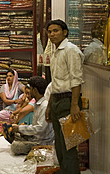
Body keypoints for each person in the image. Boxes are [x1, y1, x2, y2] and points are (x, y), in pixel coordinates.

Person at [45, 19, 84, 174]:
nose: (52, 34)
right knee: (60, 143)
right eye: (49, 32)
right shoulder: (54, 52)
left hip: (68, 100)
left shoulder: (71, 50)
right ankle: (64, 170)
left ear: (64, 32)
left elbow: (76, 79)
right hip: (56, 101)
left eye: (56, 31)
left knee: (69, 144)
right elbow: (54, 82)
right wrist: (49, 106)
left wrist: (74, 105)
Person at [2, 76, 54, 155]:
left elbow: (40, 129)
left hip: (42, 141)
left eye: (31, 89)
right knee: (13, 133)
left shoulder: (44, 106)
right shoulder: (37, 104)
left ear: (35, 90)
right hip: (35, 137)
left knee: (15, 146)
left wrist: (20, 128)